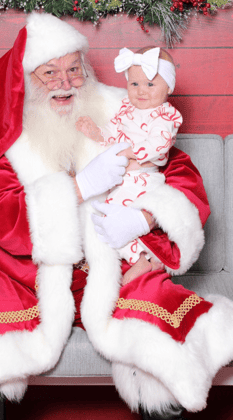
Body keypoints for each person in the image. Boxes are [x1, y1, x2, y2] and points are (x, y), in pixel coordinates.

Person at [0, 13, 233, 420]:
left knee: (165, 364)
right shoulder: (11, 137)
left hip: (120, 271)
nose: (66, 82)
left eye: (73, 69)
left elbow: (181, 176)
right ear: (26, 80)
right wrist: (79, 187)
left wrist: (146, 221)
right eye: (49, 73)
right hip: (28, 277)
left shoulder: (125, 112)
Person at [76, 46, 182, 285]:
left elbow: (161, 143)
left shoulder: (165, 115)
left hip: (144, 181)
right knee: (107, 219)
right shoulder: (126, 111)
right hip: (122, 182)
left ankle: (145, 258)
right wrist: (96, 133)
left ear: (168, 88)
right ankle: (136, 259)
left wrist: (132, 151)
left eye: (150, 85)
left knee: (124, 220)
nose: (141, 91)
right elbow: (113, 136)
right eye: (134, 84)